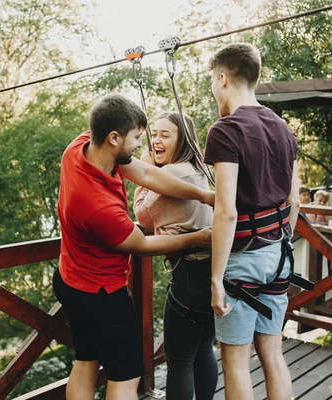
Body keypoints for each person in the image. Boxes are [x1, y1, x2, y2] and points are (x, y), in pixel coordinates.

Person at [53, 94, 214, 400]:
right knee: (127, 377)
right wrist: (198, 238)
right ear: (114, 138)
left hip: (69, 278)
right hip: (100, 294)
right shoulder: (96, 205)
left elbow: (145, 172)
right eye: (138, 137)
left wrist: (203, 196)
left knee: (85, 361)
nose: (143, 143)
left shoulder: (82, 145)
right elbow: (141, 244)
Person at [204, 43, 300, 400]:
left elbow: (226, 211)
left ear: (224, 78)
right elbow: (295, 201)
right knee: (273, 355)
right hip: (278, 257)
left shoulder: (226, 130)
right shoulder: (282, 127)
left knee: (236, 363)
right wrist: (276, 242)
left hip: (242, 262)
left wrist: (215, 279)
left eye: (214, 80)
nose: (213, 86)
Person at [133, 112, 217, 400]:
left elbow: (142, 215)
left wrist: (144, 172)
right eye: (153, 134)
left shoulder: (170, 173)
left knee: (179, 359)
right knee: (204, 349)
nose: (156, 140)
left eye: (164, 135)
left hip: (188, 274)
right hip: (210, 269)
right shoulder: (201, 170)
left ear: (182, 139)